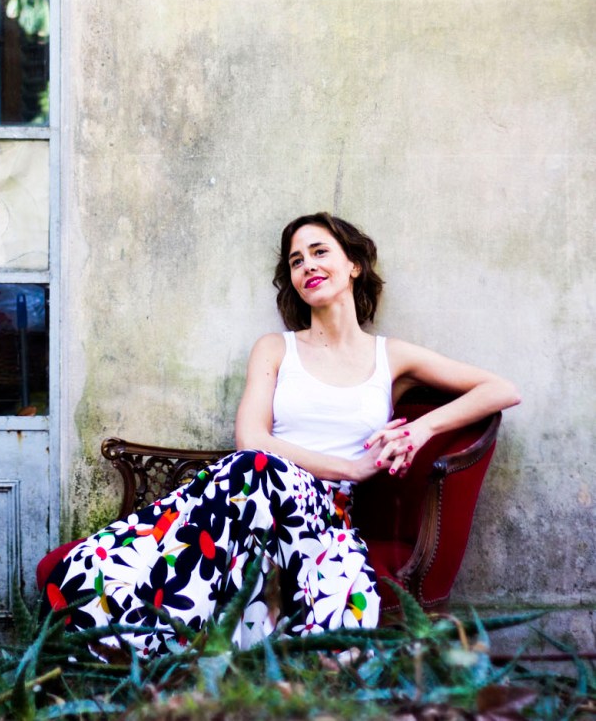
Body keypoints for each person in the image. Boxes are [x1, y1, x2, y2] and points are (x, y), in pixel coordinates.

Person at [40, 212, 520, 654]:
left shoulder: (390, 357)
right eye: (296, 260)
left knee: (258, 468)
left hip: (323, 518)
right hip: (251, 498)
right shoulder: (275, 349)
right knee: (255, 465)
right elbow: (251, 439)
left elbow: (501, 389)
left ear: (353, 265)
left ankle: (173, 638)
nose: (307, 265)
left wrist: (421, 429)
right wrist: (353, 467)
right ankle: (160, 628)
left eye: (319, 251)